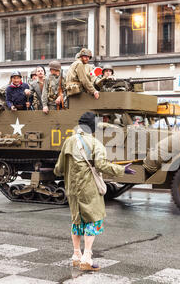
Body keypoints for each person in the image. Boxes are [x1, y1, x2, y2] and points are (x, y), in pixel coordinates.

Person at [53, 112, 135, 271]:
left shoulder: (68, 142)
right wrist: (121, 169)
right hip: (89, 189)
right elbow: (101, 165)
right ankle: (87, 257)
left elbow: (59, 168)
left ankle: (76, 255)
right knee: (93, 220)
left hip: (71, 189)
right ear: (93, 127)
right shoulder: (95, 143)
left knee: (77, 220)